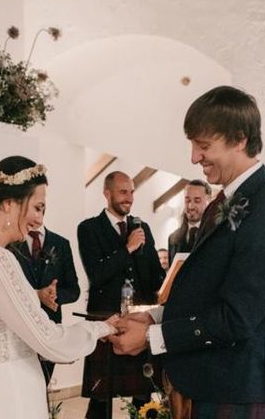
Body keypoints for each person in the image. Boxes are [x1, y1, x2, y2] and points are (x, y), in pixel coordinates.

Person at [109, 86, 265, 419]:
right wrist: (156, 315)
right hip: (211, 385)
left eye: (203, 146)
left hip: (237, 392)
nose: (194, 158)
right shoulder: (226, 202)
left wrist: (155, 336)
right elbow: (205, 290)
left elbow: (236, 318)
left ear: (239, 139)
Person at [0, 156, 117, 419]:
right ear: (9, 204)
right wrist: (103, 327)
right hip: (10, 394)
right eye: (37, 207)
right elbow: (47, 338)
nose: (38, 219)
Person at [77, 171, 165, 419]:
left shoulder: (142, 227)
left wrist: (171, 279)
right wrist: (128, 248)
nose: (129, 198)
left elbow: (154, 275)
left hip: (139, 322)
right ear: (107, 193)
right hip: (106, 321)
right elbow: (97, 274)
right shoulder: (89, 229)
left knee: (144, 396)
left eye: (132, 191)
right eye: (123, 192)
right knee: (100, 399)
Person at [9, 206, 81, 384]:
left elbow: (74, 290)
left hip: (49, 328)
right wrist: (36, 295)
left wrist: (54, 296)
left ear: (43, 210)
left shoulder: (61, 244)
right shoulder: (10, 245)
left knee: (42, 384)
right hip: (19, 328)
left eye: (38, 209)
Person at [167, 180, 211, 261]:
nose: (191, 206)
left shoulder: (215, 233)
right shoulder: (172, 238)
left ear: (208, 201)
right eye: (187, 200)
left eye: (197, 201)